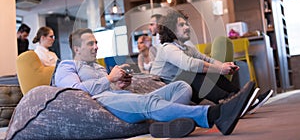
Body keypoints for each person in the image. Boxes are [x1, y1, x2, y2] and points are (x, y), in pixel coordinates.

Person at [53, 28, 256, 138]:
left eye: (96, 42)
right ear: (76, 48)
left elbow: (110, 85)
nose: (96, 47)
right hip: (103, 103)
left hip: (121, 98)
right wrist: (108, 80)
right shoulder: (67, 66)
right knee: (149, 104)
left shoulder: (96, 66)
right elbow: (73, 93)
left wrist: (118, 83)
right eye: (91, 44)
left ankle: (162, 124)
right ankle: (215, 115)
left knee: (182, 86)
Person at [150, 10, 273, 115]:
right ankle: (231, 102)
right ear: (171, 30)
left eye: (187, 24)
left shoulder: (186, 48)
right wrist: (219, 69)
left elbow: (207, 59)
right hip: (166, 96)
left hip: (182, 90)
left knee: (208, 68)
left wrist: (224, 66)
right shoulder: (167, 48)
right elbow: (190, 64)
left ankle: (241, 98)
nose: (187, 27)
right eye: (182, 25)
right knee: (193, 71)